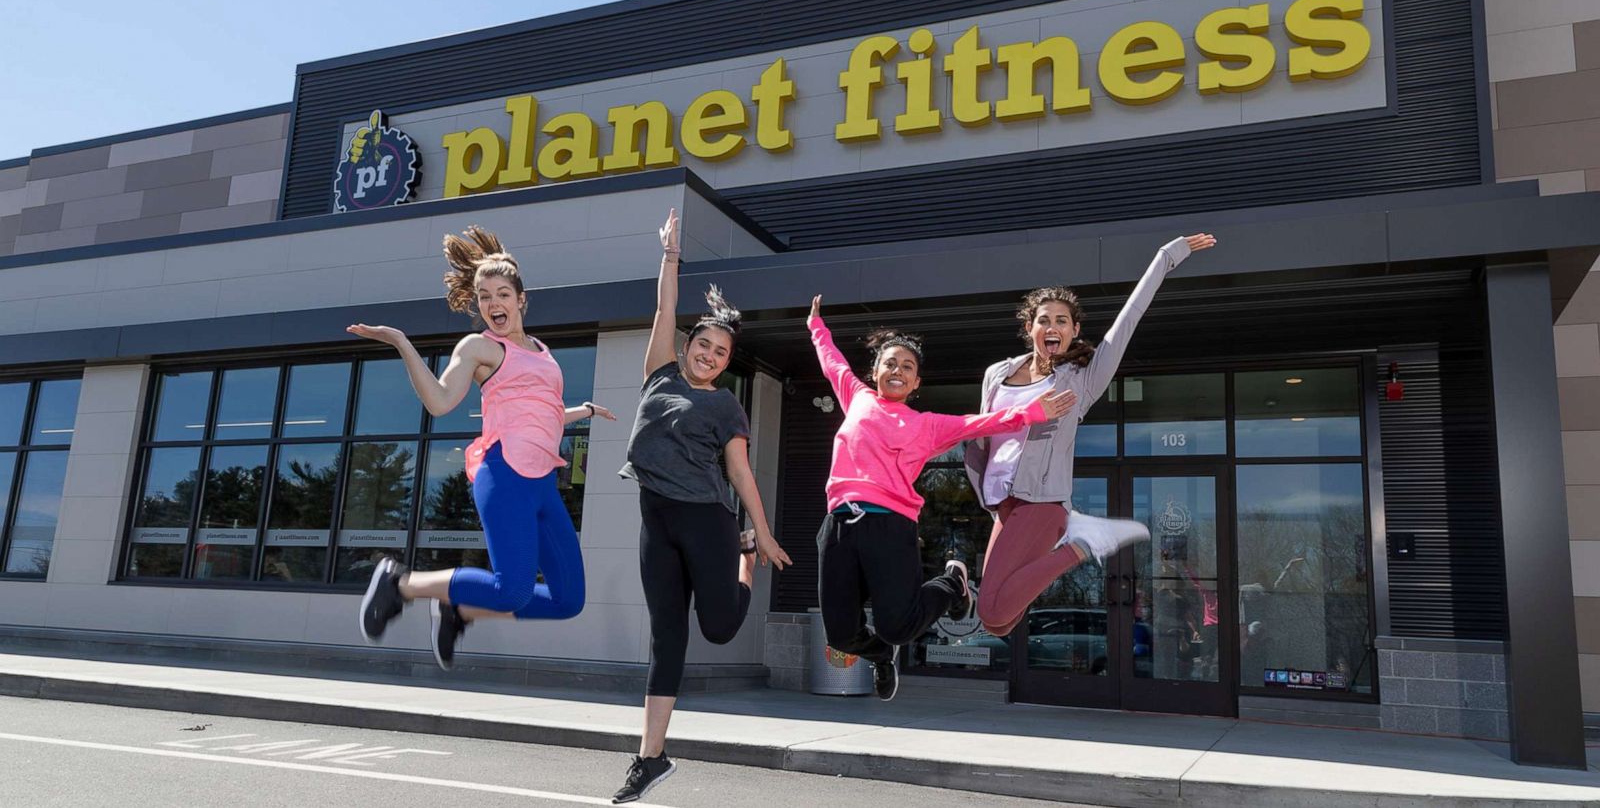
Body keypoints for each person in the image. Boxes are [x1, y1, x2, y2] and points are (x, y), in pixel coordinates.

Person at [349, 225, 615, 669]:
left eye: (503, 295)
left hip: (543, 485)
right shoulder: (479, 348)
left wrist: (581, 411)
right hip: (505, 475)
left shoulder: (542, 351)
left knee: (569, 600)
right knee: (513, 589)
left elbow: (538, 413)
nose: (494, 304)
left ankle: (461, 608)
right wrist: (400, 342)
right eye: (485, 297)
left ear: (521, 299)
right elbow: (438, 401)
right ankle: (402, 584)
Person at [808, 295, 1076, 700]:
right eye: (890, 363)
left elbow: (980, 423)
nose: (897, 371)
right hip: (840, 524)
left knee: (898, 625)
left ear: (916, 383)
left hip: (890, 525)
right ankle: (882, 656)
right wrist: (816, 327)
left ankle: (952, 584)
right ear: (876, 371)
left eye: (908, 367)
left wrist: (1031, 413)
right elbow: (833, 363)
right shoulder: (857, 398)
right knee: (841, 634)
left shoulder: (927, 425)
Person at [610, 207, 792, 805]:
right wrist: (670, 254)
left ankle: (739, 556)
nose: (710, 356)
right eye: (704, 345)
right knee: (667, 637)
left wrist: (758, 535)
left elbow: (739, 470)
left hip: (707, 520)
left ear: (726, 362)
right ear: (688, 345)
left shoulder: (724, 408)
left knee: (716, 629)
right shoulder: (659, 374)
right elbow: (665, 307)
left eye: (720, 353)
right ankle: (649, 758)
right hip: (654, 519)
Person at [964, 234, 1217, 640]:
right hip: (1003, 505)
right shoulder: (997, 373)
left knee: (993, 608)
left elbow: (1129, 318)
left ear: (1074, 329)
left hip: (1041, 503)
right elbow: (983, 434)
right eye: (1044, 319)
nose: (1052, 327)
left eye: (1062, 321)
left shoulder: (1082, 379)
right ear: (1029, 327)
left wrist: (1166, 256)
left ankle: (1082, 544)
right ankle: (1077, 544)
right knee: (997, 622)